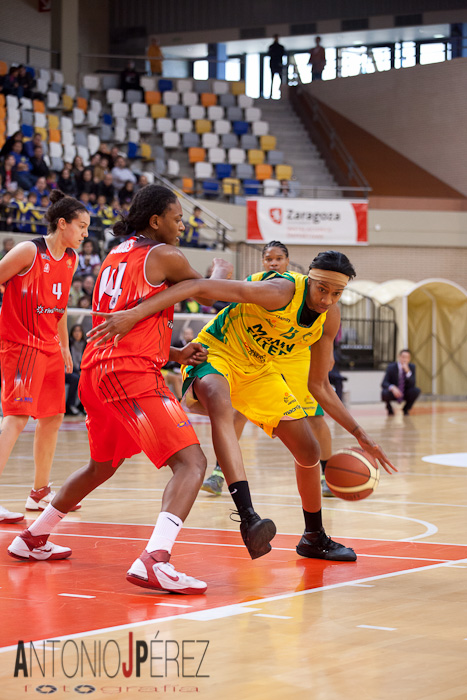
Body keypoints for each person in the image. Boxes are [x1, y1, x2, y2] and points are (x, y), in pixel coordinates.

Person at [84, 250, 396, 563]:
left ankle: (314, 537)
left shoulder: (330, 317)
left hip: (257, 369)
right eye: (322, 289)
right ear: (310, 280)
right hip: (215, 353)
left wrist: (359, 433)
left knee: (309, 449)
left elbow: (320, 386)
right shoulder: (280, 291)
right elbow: (197, 287)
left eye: (336, 293)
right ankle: (248, 517)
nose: (327, 299)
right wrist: (134, 314)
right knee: (222, 404)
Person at [8, 185, 232, 596]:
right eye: (177, 218)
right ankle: (155, 560)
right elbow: (208, 295)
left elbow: (123, 323)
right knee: (191, 463)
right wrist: (220, 268)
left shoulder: (115, 255)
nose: (183, 226)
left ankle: (33, 536)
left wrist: (175, 352)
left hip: (98, 373)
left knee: (102, 465)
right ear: (155, 221)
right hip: (128, 374)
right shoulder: (164, 254)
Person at [202, 241, 335, 498]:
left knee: (313, 417)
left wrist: (327, 357)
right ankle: (219, 472)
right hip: (262, 353)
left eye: (278, 259)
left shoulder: (298, 287)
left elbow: (322, 327)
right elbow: (233, 307)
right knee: (239, 411)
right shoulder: (256, 281)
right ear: (263, 262)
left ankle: (326, 474)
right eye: (269, 259)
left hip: (294, 356)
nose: (273, 263)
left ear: (287, 261)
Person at [0, 190, 89, 524]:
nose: (85, 233)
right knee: (17, 418)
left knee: (52, 417)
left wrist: (64, 346)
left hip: (50, 346)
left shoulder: (70, 259)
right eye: (81, 226)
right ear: (62, 223)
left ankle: (39, 492)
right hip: (21, 346)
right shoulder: (29, 251)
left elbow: (60, 307)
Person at [381, 349, 421, 416]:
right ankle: (389, 408)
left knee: (416, 390)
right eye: (403, 357)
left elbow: (413, 384)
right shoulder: (391, 367)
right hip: (394, 392)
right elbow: (384, 383)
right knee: (384, 392)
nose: (405, 359)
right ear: (399, 357)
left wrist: (408, 372)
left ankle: (406, 409)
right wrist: (393, 387)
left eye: (407, 357)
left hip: (405, 392)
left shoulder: (412, 367)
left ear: (409, 359)